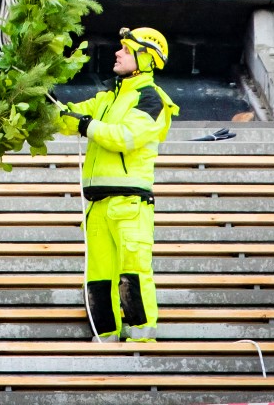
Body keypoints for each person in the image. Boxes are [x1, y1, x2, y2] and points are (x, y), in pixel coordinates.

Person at [59, 26, 179, 342]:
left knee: (133, 276)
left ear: (146, 58)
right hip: (99, 206)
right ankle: (106, 341)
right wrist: (42, 100)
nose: (118, 53)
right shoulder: (107, 99)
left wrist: (86, 125)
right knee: (98, 279)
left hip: (129, 205)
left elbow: (125, 138)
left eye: (126, 49)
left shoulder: (152, 99)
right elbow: (69, 118)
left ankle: (142, 342)